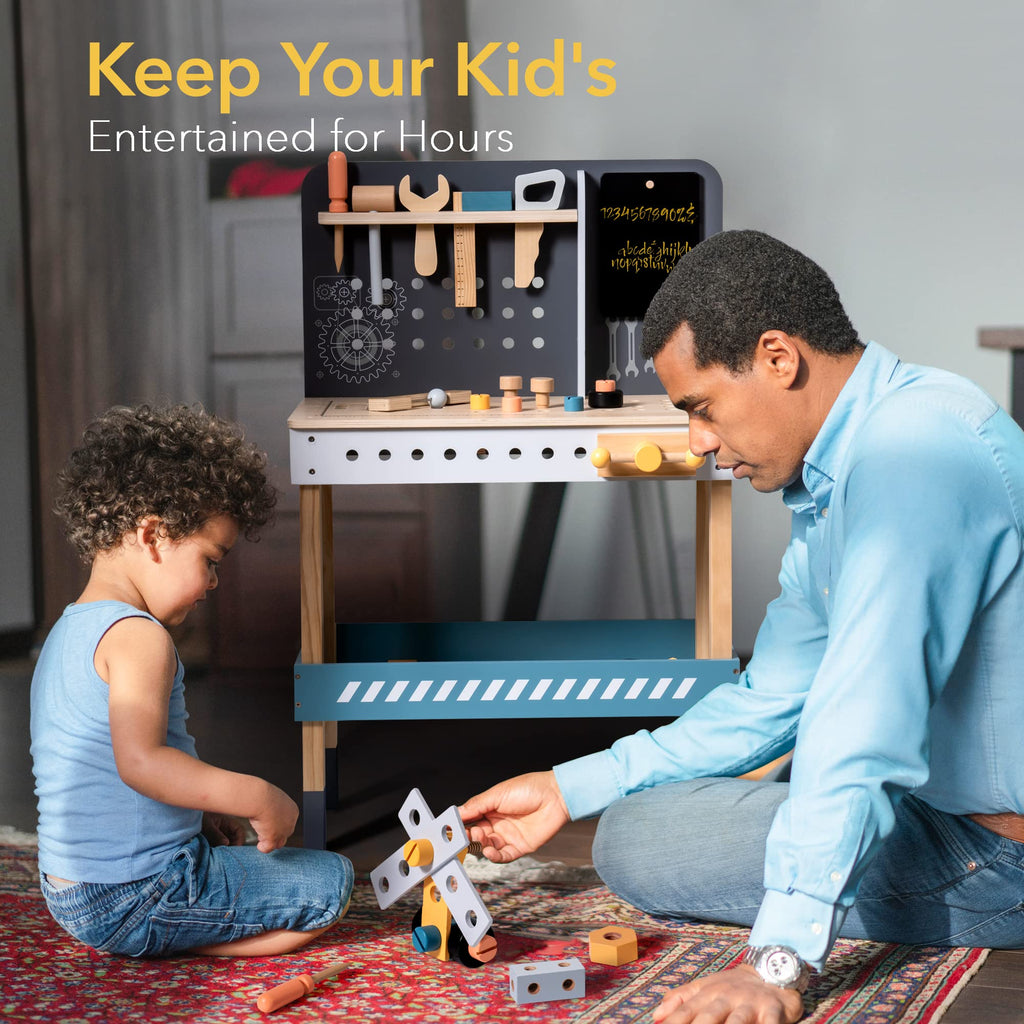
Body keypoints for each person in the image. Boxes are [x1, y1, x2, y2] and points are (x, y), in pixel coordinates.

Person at [460, 230, 1024, 1023]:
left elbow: (864, 718)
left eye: (701, 408)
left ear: (777, 358)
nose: (697, 442)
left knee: (639, 844)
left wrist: (776, 961)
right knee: (634, 820)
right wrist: (565, 786)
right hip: (944, 811)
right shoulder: (844, 472)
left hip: (996, 856)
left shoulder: (911, 455)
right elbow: (771, 700)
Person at [30, 404, 353, 958]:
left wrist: (197, 809)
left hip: (67, 889)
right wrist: (256, 795)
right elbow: (142, 764)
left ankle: (169, 924)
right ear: (153, 534)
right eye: (211, 559)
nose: (214, 582)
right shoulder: (140, 637)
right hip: (135, 893)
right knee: (331, 883)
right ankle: (179, 937)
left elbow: (102, 770)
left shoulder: (67, 629)